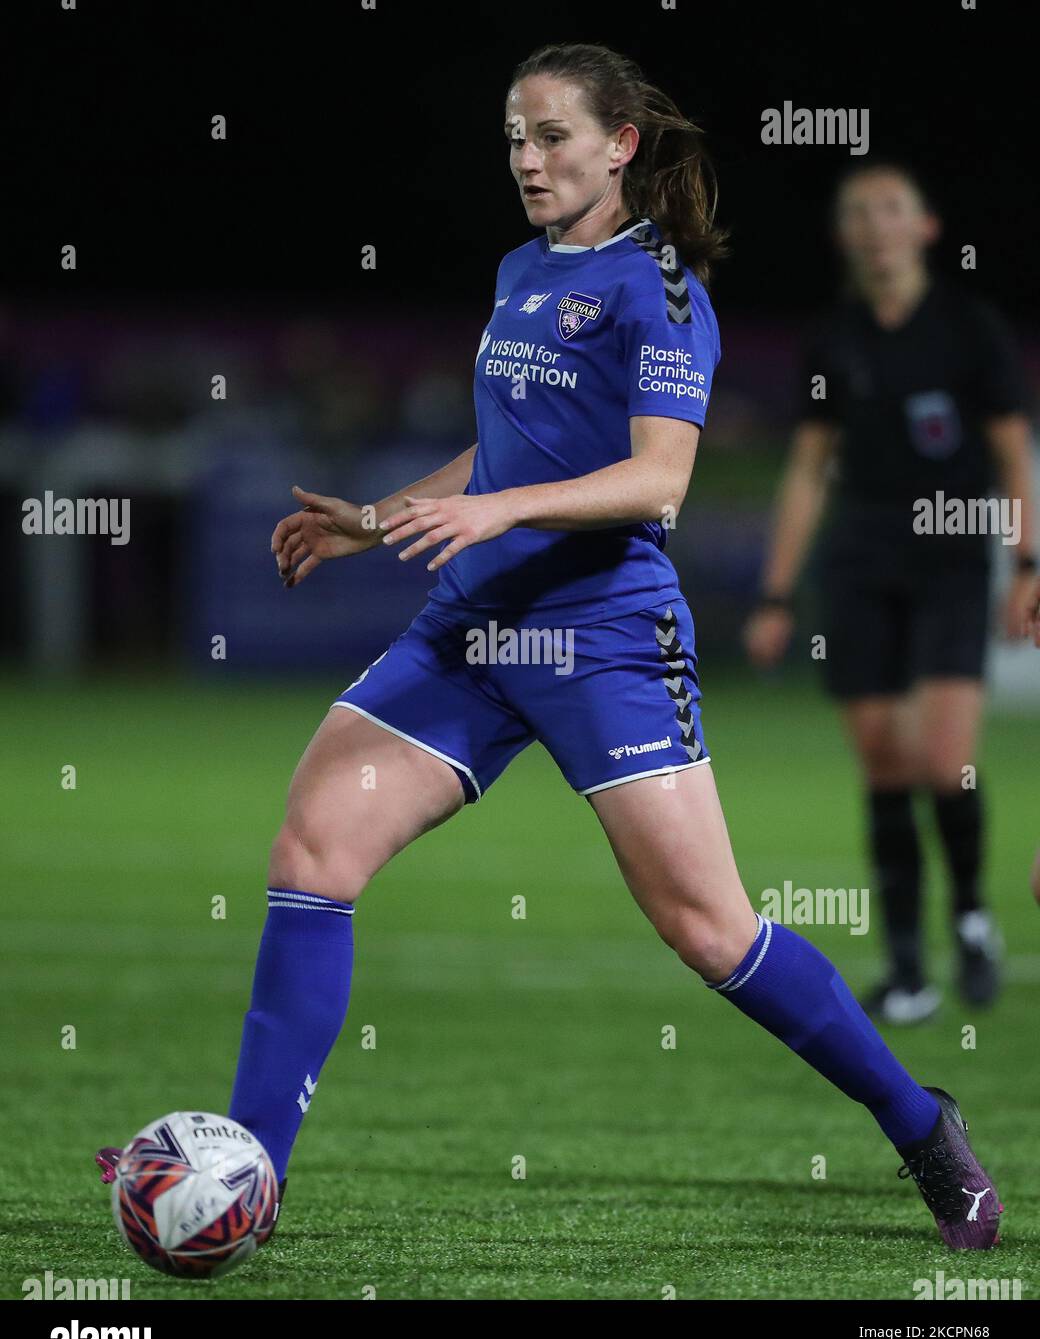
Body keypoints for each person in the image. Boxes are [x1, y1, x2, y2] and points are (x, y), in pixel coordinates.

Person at [97, 46, 1001, 1250]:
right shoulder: (521, 269)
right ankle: (252, 1180)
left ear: (620, 143)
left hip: (603, 636)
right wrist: (378, 522)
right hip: (471, 627)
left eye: (552, 137)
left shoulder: (660, 286)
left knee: (706, 929)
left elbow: (659, 476)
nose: (527, 159)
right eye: (513, 139)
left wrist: (502, 512)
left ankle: (915, 1122)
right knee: (313, 847)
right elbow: (503, 454)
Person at [744, 164, 1036, 1024]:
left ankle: (974, 918)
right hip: (859, 569)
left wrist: (1026, 564)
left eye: (892, 209)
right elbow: (807, 469)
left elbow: (1014, 451)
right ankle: (908, 968)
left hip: (949, 565)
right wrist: (775, 593)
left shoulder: (970, 329)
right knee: (885, 763)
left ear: (927, 227)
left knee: (944, 762)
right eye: (859, 214)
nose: (875, 226)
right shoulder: (833, 338)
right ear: (843, 237)